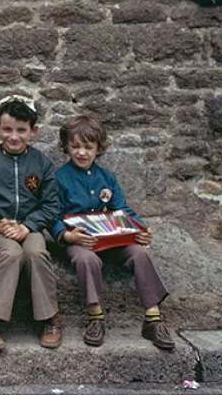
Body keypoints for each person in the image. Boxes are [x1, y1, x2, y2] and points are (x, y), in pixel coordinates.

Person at [54, 113, 174, 350]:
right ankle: (95, 317)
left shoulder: (107, 178)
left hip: (111, 241)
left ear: (98, 149)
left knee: (140, 253)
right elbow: (52, 214)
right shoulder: (59, 178)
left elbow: (123, 210)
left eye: (88, 147)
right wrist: (67, 235)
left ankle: (152, 318)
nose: (81, 152)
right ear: (66, 147)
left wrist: (140, 230)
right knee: (87, 260)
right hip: (80, 241)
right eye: (75, 146)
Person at [0, 94, 62, 351]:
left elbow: (51, 205)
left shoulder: (42, 164)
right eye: (7, 129)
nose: (14, 136)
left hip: (30, 226)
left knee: (35, 252)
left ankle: (49, 317)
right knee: (10, 253)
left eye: (21, 130)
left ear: (33, 131)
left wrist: (27, 226)